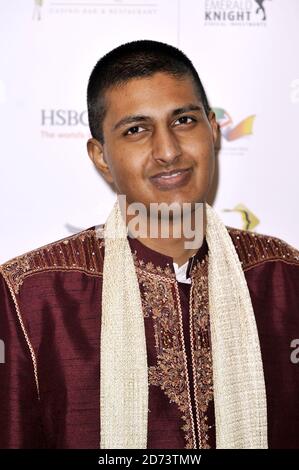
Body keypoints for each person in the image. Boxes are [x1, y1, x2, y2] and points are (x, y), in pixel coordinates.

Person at [0, 40, 299, 449]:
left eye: (183, 121)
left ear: (213, 130)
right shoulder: (33, 295)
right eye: (136, 130)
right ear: (101, 156)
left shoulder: (283, 278)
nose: (168, 151)